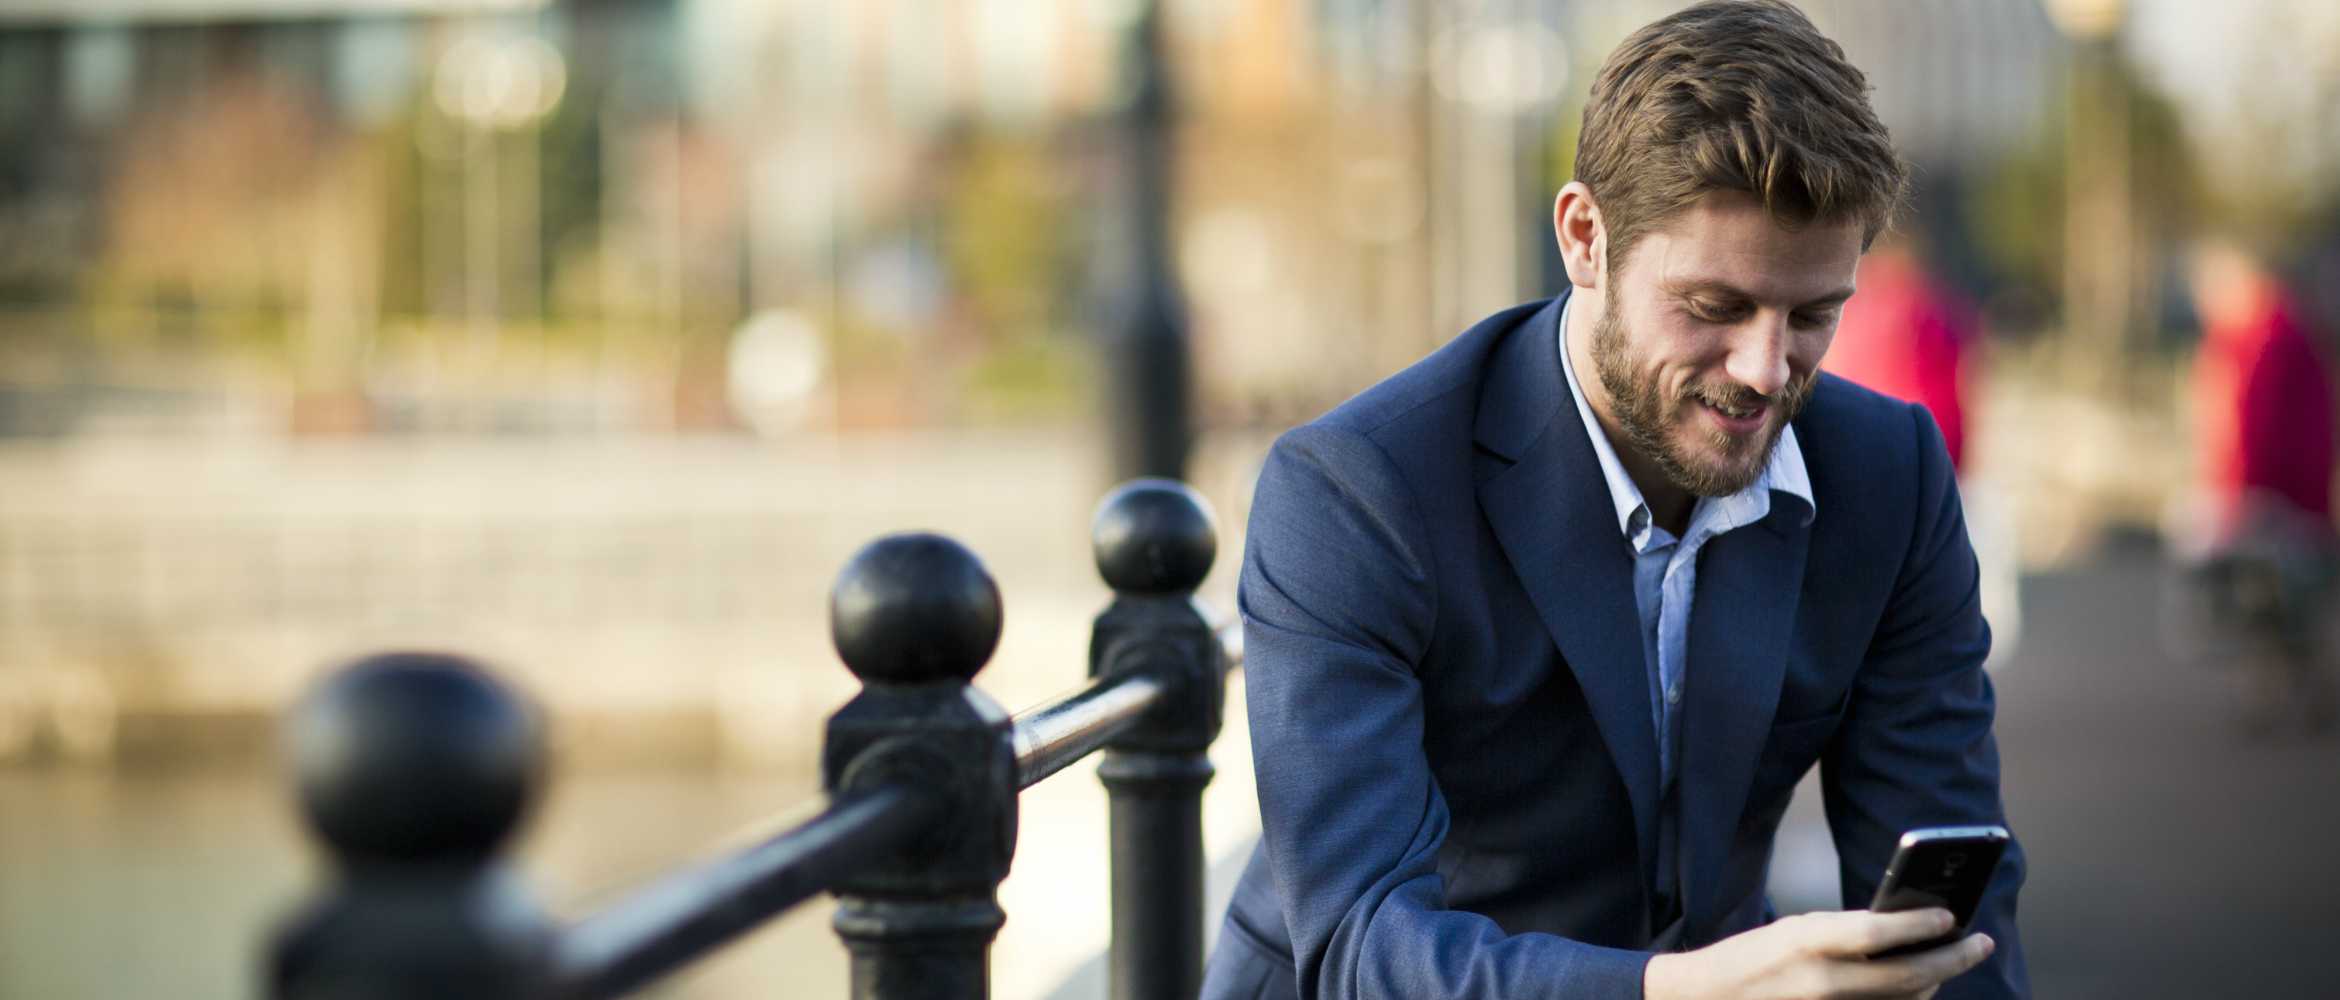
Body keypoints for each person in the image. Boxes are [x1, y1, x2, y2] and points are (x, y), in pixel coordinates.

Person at [1199, 3, 2027, 998]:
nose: (1767, 371)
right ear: (1585, 237)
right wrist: (1678, 989)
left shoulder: (1887, 474)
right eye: (1715, 307)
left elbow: (1948, 896)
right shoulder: (1355, 494)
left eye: (1813, 314)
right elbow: (1357, 944)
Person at [2175, 241, 2338, 736]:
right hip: (2284, 498)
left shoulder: (2267, 342)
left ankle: (2276, 690)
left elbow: (2256, 431)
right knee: (2275, 601)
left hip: (2274, 501)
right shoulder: (2273, 336)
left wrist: (2238, 496)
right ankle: (2288, 687)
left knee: (2261, 592)